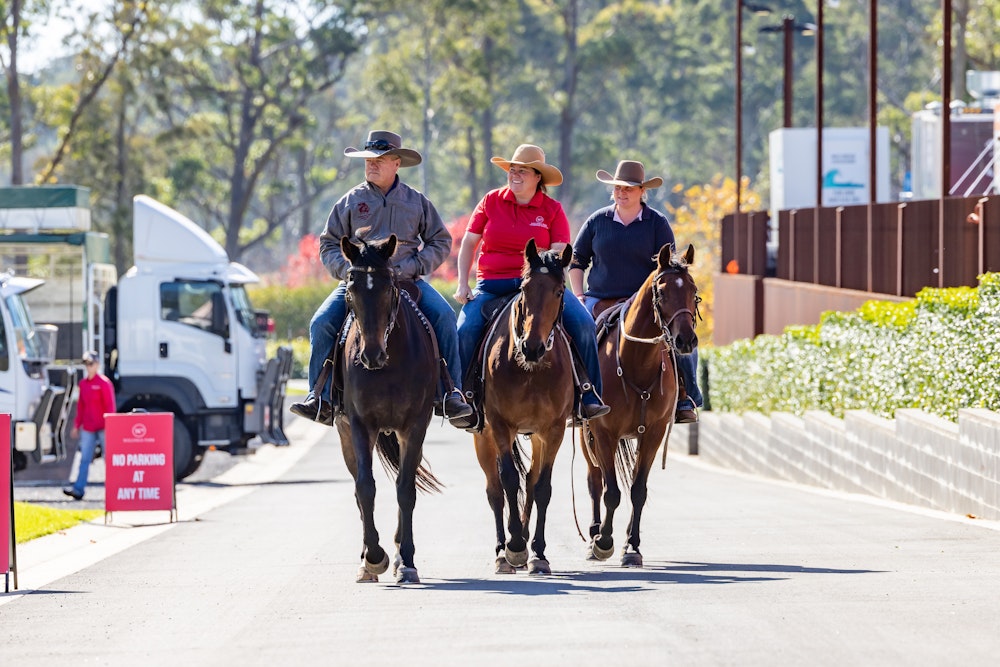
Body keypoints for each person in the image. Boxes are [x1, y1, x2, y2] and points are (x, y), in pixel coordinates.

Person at [290, 130, 472, 426]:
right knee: (321, 322)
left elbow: (440, 241)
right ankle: (320, 396)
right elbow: (328, 244)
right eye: (368, 160)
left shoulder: (417, 202)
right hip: (359, 284)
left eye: (380, 160)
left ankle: (450, 393)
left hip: (407, 282)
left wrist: (414, 266)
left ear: (396, 163)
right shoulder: (350, 201)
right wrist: (347, 271)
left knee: (445, 318)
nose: (371, 165)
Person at [453, 144, 610, 425]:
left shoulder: (552, 210)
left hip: (540, 286)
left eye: (522, 171)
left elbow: (560, 252)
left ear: (538, 177)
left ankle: (588, 394)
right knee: (465, 329)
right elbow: (468, 243)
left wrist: (542, 275)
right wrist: (463, 284)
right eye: (512, 170)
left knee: (585, 324)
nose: (514, 175)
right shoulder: (491, 201)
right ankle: (464, 396)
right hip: (492, 283)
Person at [568, 159, 703, 423]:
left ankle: (686, 398)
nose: (622, 192)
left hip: (645, 303)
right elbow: (577, 261)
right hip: (598, 299)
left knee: (684, 336)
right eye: (618, 187)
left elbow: (670, 268)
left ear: (643, 191)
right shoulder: (597, 221)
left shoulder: (657, 223)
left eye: (629, 188)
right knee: (576, 332)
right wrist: (578, 295)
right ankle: (578, 398)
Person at [63, 351, 116, 500]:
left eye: (91, 364)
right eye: (86, 364)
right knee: (84, 458)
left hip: (103, 427)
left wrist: (111, 425)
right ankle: (78, 489)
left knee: (109, 458)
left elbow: (110, 406)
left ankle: (114, 490)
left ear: (97, 365)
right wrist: (76, 425)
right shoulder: (83, 384)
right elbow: (81, 407)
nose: (88, 367)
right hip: (88, 427)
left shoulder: (104, 383)